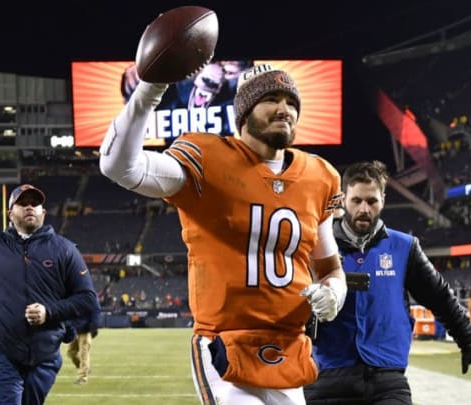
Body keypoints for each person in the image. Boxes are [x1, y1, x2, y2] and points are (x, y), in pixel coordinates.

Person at [100, 63, 348, 405]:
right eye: (271, 98)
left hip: (288, 347)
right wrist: (149, 91)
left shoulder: (320, 176)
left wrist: (335, 292)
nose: (285, 109)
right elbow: (118, 166)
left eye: (291, 101)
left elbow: (330, 267)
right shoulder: (207, 157)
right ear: (244, 111)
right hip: (225, 345)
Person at [304, 160, 471, 404]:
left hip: (387, 379)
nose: (364, 209)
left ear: (383, 200)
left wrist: (469, 343)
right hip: (327, 375)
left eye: (372, 201)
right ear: (342, 199)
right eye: (357, 200)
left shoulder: (405, 248)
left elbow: (440, 298)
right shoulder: (315, 245)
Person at [0, 184, 99, 405]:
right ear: (10, 213)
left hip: (45, 354)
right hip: (0, 350)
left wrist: (48, 312)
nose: (30, 207)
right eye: (22, 203)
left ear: (43, 212)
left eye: (35, 203)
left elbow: (88, 299)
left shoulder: (65, 249)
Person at [66, 303, 101, 385]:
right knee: (71, 353)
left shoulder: (89, 297)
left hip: (85, 330)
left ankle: (82, 378)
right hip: (75, 330)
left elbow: (95, 310)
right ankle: (85, 369)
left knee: (83, 354)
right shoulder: (74, 297)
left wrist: (93, 327)